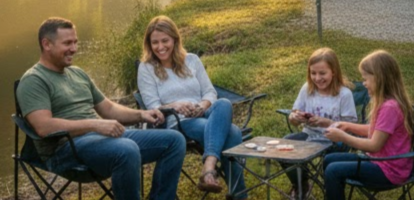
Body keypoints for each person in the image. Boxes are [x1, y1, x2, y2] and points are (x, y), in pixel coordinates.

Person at [17, 17, 186, 200]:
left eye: (75, 42)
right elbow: (43, 127)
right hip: (65, 150)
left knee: (174, 140)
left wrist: (142, 114)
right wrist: (95, 125)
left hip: (100, 140)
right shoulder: (34, 80)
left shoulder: (77, 73)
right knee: (126, 149)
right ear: (46, 44)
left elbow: (108, 108)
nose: (74, 49)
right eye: (67, 43)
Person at [136, 16, 247, 197]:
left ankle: (209, 166)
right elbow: (152, 106)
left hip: (203, 112)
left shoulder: (192, 60)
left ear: (175, 39)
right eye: (155, 42)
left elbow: (210, 92)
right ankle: (238, 193)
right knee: (232, 132)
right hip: (177, 120)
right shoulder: (146, 68)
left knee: (224, 103)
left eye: (165, 41)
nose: (160, 47)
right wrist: (176, 105)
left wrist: (202, 105)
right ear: (149, 44)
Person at [322, 50, 414, 200]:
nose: (364, 83)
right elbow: (377, 130)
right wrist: (347, 126)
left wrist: (343, 137)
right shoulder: (387, 102)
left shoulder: (390, 107)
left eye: (366, 79)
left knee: (333, 171)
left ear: (380, 78)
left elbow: (374, 145)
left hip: (389, 170)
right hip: (380, 162)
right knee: (329, 159)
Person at [282, 47, 357, 197]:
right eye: (313, 73)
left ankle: (331, 188)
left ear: (333, 71)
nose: (317, 78)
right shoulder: (307, 88)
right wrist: (295, 117)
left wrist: (326, 122)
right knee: (284, 146)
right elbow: (294, 114)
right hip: (309, 135)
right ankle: (301, 184)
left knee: (330, 161)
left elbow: (351, 128)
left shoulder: (344, 94)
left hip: (335, 141)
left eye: (322, 73)